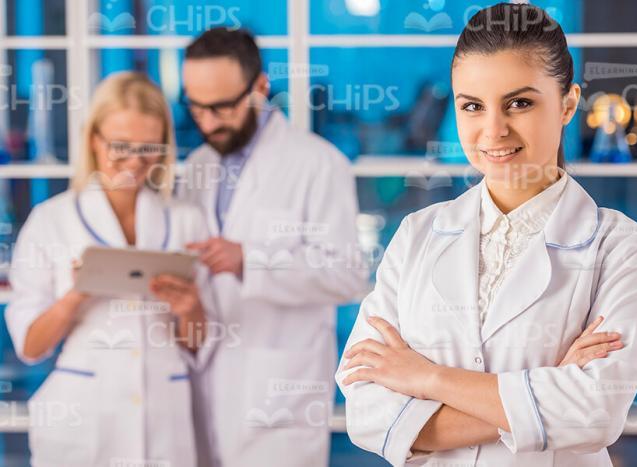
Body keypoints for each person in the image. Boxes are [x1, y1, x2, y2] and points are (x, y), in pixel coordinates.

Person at [336, 3, 637, 467]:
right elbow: (367, 413)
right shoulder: (417, 235)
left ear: (568, 103)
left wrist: (426, 379)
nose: (493, 130)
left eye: (520, 103)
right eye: (472, 106)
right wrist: (547, 386)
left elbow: (594, 412)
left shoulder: (622, 247)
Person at [176, 28, 368, 467]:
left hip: (281, 392)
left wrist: (250, 260)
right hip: (204, 377)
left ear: (260, 87)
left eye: (222, 106)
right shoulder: (195, 168)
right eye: (196, 106)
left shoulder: (317, 164)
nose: (207, 121)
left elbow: (347, 275)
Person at [5, 72, 215, 467]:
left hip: (165, 417)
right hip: (81, 419)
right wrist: (79, 291)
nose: (135, 163)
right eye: (121, 147)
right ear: (93, 141)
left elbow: (200, 346)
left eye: (148, 148)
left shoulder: (186, 221)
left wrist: (191, 310)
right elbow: (31, 347)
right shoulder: (51, 220)